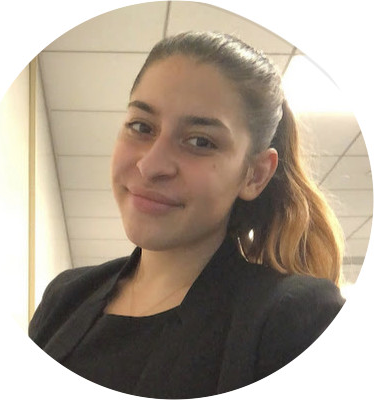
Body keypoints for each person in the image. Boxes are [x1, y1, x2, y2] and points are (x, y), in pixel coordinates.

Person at [29, 31, 345, 398]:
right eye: (141, 126)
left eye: (200, 141)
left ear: (255, 175)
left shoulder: (294, 321)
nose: (151, 166)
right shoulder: (66, 296)